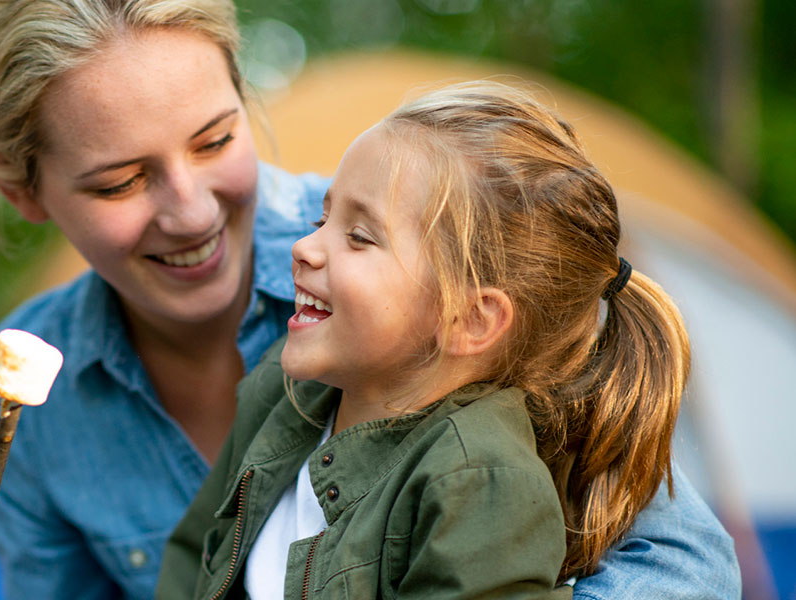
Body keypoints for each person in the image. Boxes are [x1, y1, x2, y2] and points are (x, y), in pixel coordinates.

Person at [0, 1, 741, 599]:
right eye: (120, 181)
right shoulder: (39, 387)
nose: (191, 212)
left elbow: (688, 568)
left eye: (216, 140)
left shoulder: (430, 278)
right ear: (25, 190)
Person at [157, 80, 693, 599]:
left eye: (359, 237)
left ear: (471, 320)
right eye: (323, 218)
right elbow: (194, 553)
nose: (304, 247)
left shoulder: (479, 483)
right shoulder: (283, 386)